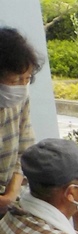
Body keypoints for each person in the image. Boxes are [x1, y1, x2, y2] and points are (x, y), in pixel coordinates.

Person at [0, 28, 42, 215]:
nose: (23, 86)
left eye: (27, 79)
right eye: (17, 79)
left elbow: (25, 147)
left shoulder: (20, 99)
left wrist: (11, 193)